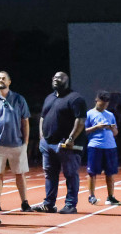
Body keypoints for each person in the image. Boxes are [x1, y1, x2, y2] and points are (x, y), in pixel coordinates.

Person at [31, 72, 86, 215]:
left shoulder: (75, 98)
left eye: (60, 77)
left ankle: (70, 204)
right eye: (54, 77)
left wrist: (71, 138)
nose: (56, 79)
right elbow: (43, 117)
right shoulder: (49, 97)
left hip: (65, 145)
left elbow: (80, 120)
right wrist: (41, 137)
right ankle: (49, 204)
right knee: (50, 175)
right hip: (48, 144)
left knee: (70, 174)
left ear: (67, 81)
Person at [0, 71, 31, 213]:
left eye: (3, 78)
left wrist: (26, 142)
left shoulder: (19, 99)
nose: (0, 80)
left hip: (17, 143)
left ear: (9, 82)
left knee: (20, 174)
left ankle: (25, 202)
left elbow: (25, 121)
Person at [84, 92, 120, 206]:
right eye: (102, 103)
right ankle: (92, 196)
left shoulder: (110, 115)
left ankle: (110, 196)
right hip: (95, 146)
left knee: (110, 173)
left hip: (110, 146)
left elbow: (116, 132)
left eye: (106, 104)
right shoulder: (89, 114)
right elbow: (84, 131)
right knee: (92, 172)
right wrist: (97, 127)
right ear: (96, 100)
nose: (104, 106)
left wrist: (111, 128)